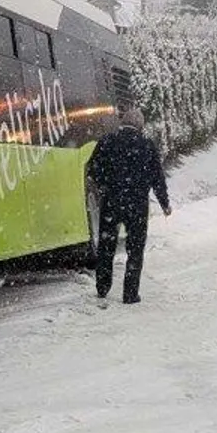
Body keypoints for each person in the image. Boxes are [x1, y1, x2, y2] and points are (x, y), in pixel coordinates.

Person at [84, 106, 171, 304]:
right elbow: (157, 178)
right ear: (140, 126)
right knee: (135, 249)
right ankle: (130, 293)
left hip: (111, 202)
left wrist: (105, 186)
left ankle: (102, 287)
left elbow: (93, 170)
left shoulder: (107, 141)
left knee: (106, 246)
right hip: (137, 205)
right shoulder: (147, 145)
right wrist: (164, 203)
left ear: (122, 123)